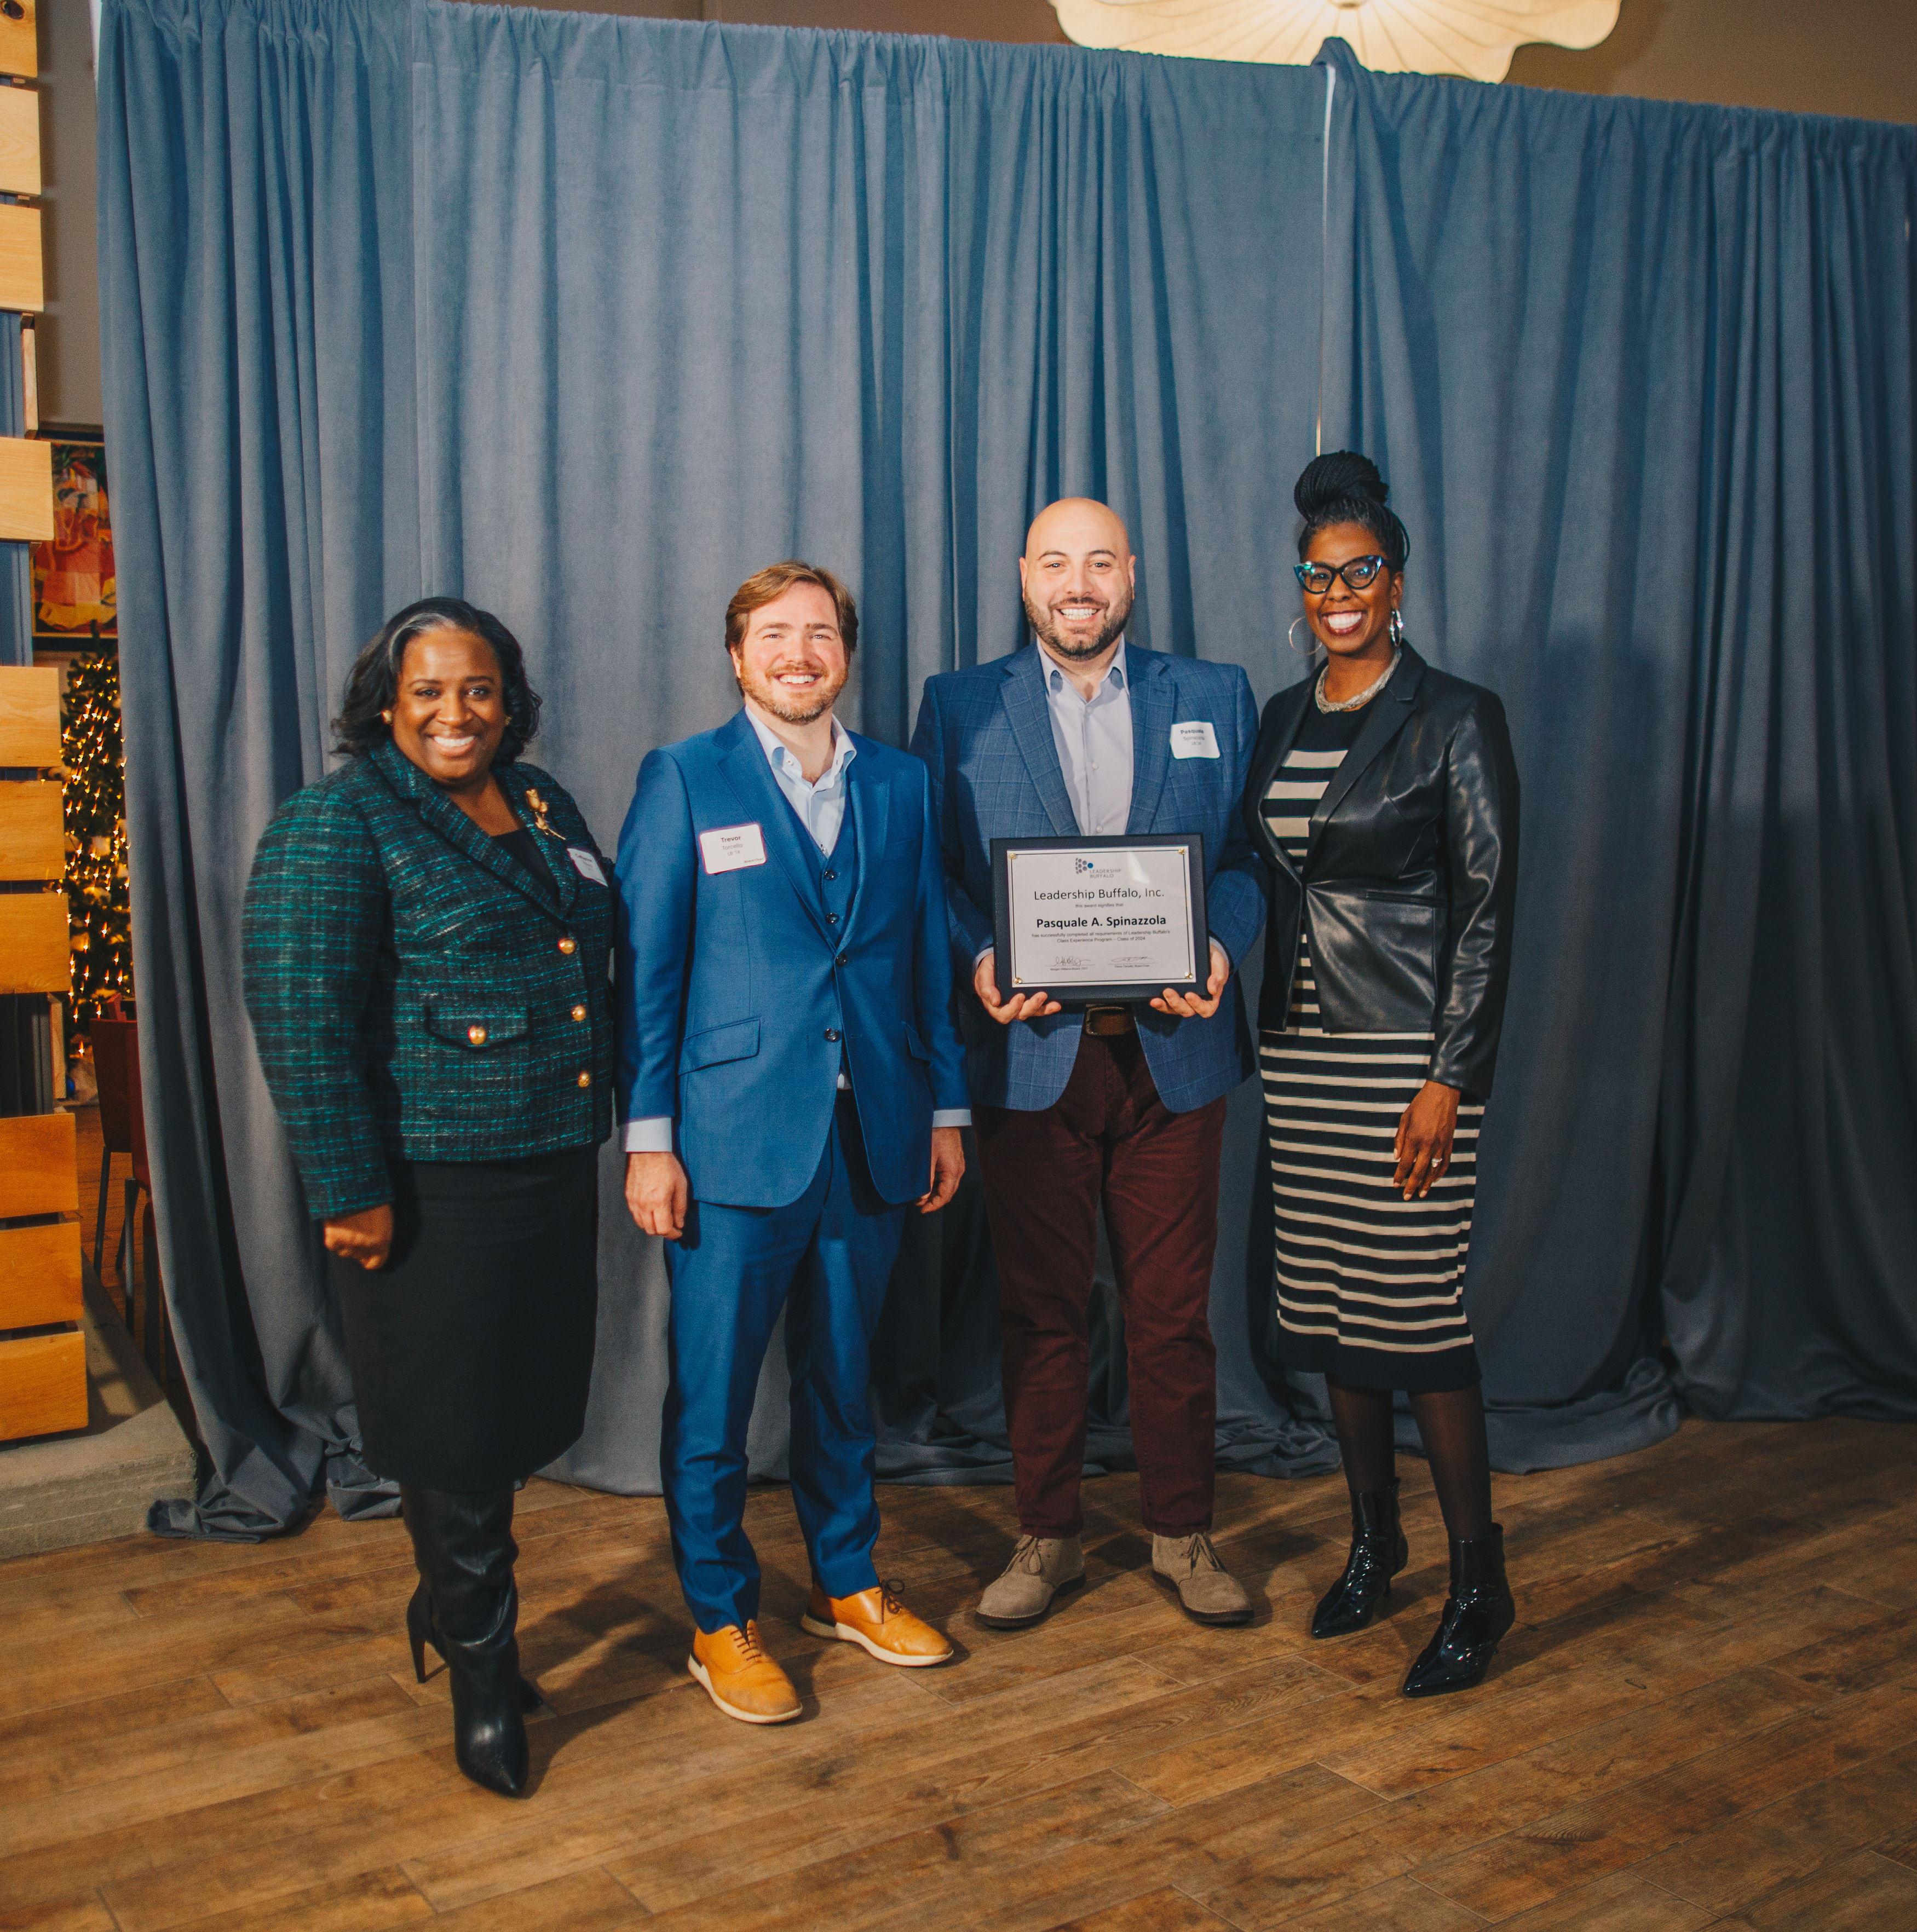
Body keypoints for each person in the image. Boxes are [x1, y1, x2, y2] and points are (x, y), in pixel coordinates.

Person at [243, 597, 614, 1795]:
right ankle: (482, 1675)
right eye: (429, 692)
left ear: (509, 701)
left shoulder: (543, 801)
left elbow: (581, 948)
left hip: (550, 1156)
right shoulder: (337, 821)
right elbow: (301, 1023)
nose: (457, 713)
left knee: (513, 1412)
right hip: (428, 1184)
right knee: (451, 1431)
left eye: (479, 689)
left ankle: (447, 1606)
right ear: (385, 704)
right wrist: (351, 1189)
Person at [614, 560, 969, 1726]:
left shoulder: (903, 784)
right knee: (713, 1401)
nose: (798, 653)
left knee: (844, 1382)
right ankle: (720, 1619)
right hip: (728, 1143)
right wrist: (650, 1139)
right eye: (773, 634)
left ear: (845, 654)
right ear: (737, 654)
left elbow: (924, 958)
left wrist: (947, 1110)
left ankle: (845, 1582)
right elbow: (647, 970)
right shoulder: (684, 777)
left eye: (819, 633)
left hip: (873, 1131)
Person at [912, 498, 1268, 1631]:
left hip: (1174, 1059)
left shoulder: (1213, 694)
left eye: (1100, 561)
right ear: (1025, 576)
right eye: (1057, 562)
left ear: (1131, 575)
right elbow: (936, 872)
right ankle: (1046, 1534)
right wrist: (979, 955)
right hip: (1030, 1059)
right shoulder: (958, 704)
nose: (1079, 583)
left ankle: (1183, 1530)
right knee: (1040, 1312)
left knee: (1172, 1316)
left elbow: (1248, 858)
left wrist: (1220, 944)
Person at [1245, 451, 1520, 1697]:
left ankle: (1478, 1582)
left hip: (1406, 1056)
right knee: (1332, 1312)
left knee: (1416, 1318)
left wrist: (1448, 1076)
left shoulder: (1455, 715)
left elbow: (1487, 907)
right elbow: (1266, 878)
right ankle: (1376, 1545)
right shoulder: (1280, 716)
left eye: (1360, 573)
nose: (1338, 594)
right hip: (1299, 1055)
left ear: (1396, 582)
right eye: (1319, 576)